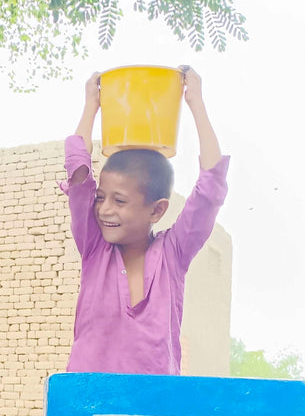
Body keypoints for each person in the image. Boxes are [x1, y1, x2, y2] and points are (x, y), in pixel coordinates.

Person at [62, 67, 228, 374]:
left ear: (157, 210)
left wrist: (196, 103)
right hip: (87, 404)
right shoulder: (95, 246)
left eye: (120, 201)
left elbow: (211, 189)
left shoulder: (172, 254)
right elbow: (79, 177)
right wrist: (91, 105)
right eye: (101, 197)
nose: (104, 210)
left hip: (152, 411)